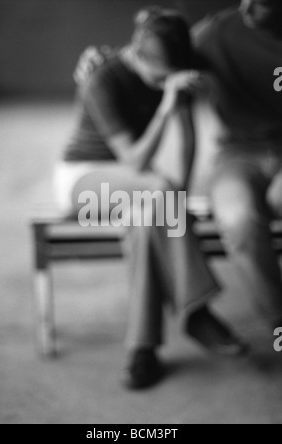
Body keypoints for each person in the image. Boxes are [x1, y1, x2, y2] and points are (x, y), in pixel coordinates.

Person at [55, 7, 246, 391]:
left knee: (148, 219)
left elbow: (189, 137)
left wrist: (179, 200)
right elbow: (136, 160)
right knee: (158, 188)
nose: (164, 86)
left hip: (133, 188)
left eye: (169, 80)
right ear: (136, 56)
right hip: (84, 182)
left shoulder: (176, 65)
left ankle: (142, 350)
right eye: (158, 80)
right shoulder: (101, 78)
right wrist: (165, 105)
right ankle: (198, 308)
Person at [192, 0, 282, 331]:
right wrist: (107, 63)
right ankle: (278, 321)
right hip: (237, 154)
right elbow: (155, 50)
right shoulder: (216, 32)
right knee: (238, 218)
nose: (246, 7)